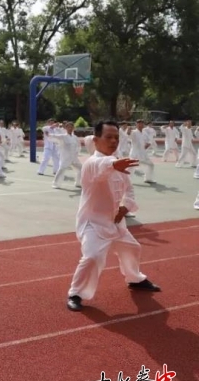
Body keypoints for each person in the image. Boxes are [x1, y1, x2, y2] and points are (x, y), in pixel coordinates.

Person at [66, 121, 161, 312]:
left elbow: (129, 191)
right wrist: (113, 163)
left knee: (133, 248)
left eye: (116, 137)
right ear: (96, 140)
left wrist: (125, 208)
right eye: (108, 137)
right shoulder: (92, 164)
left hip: (116, 223)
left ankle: (135, 279)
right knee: (92, 257)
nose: (113, 141)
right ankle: (75, 293)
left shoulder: (120, 165)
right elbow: (101, 169)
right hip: (92, 224)